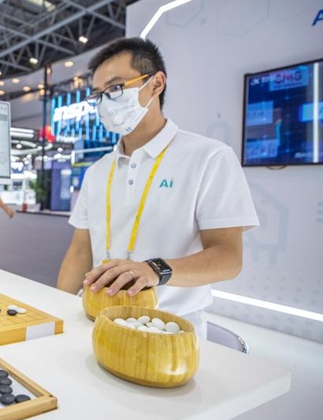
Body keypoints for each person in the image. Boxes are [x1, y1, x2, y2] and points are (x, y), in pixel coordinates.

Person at [56, 38, 259, 338]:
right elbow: (79, 251)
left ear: (156, 84)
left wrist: (156, 269)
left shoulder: (209, 157)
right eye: (98, 95)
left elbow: (229, 258)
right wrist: (56, 312)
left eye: (115, 88)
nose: (105, 102)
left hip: (169, 331)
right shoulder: (98, 171)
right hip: (94, 321)